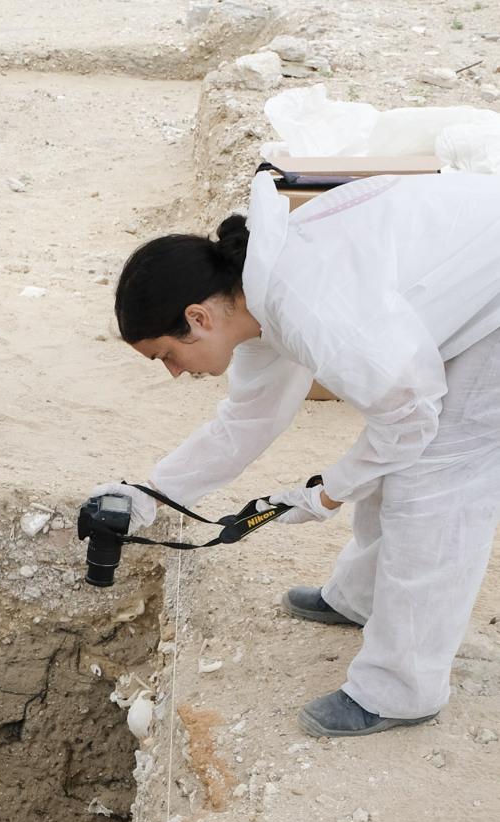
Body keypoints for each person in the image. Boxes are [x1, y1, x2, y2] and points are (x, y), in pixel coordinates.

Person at [97, 170, 500, 738]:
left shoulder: (313, 308)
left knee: (435, 480)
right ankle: (359, 598)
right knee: (403, 457)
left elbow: (409, 415)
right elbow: (249, 417)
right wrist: (149, 495)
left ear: (197, 318)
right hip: (467, 279)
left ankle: (401, 690)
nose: (174, 372)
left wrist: (326, 493)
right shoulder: (256, 298)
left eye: (166, 354)